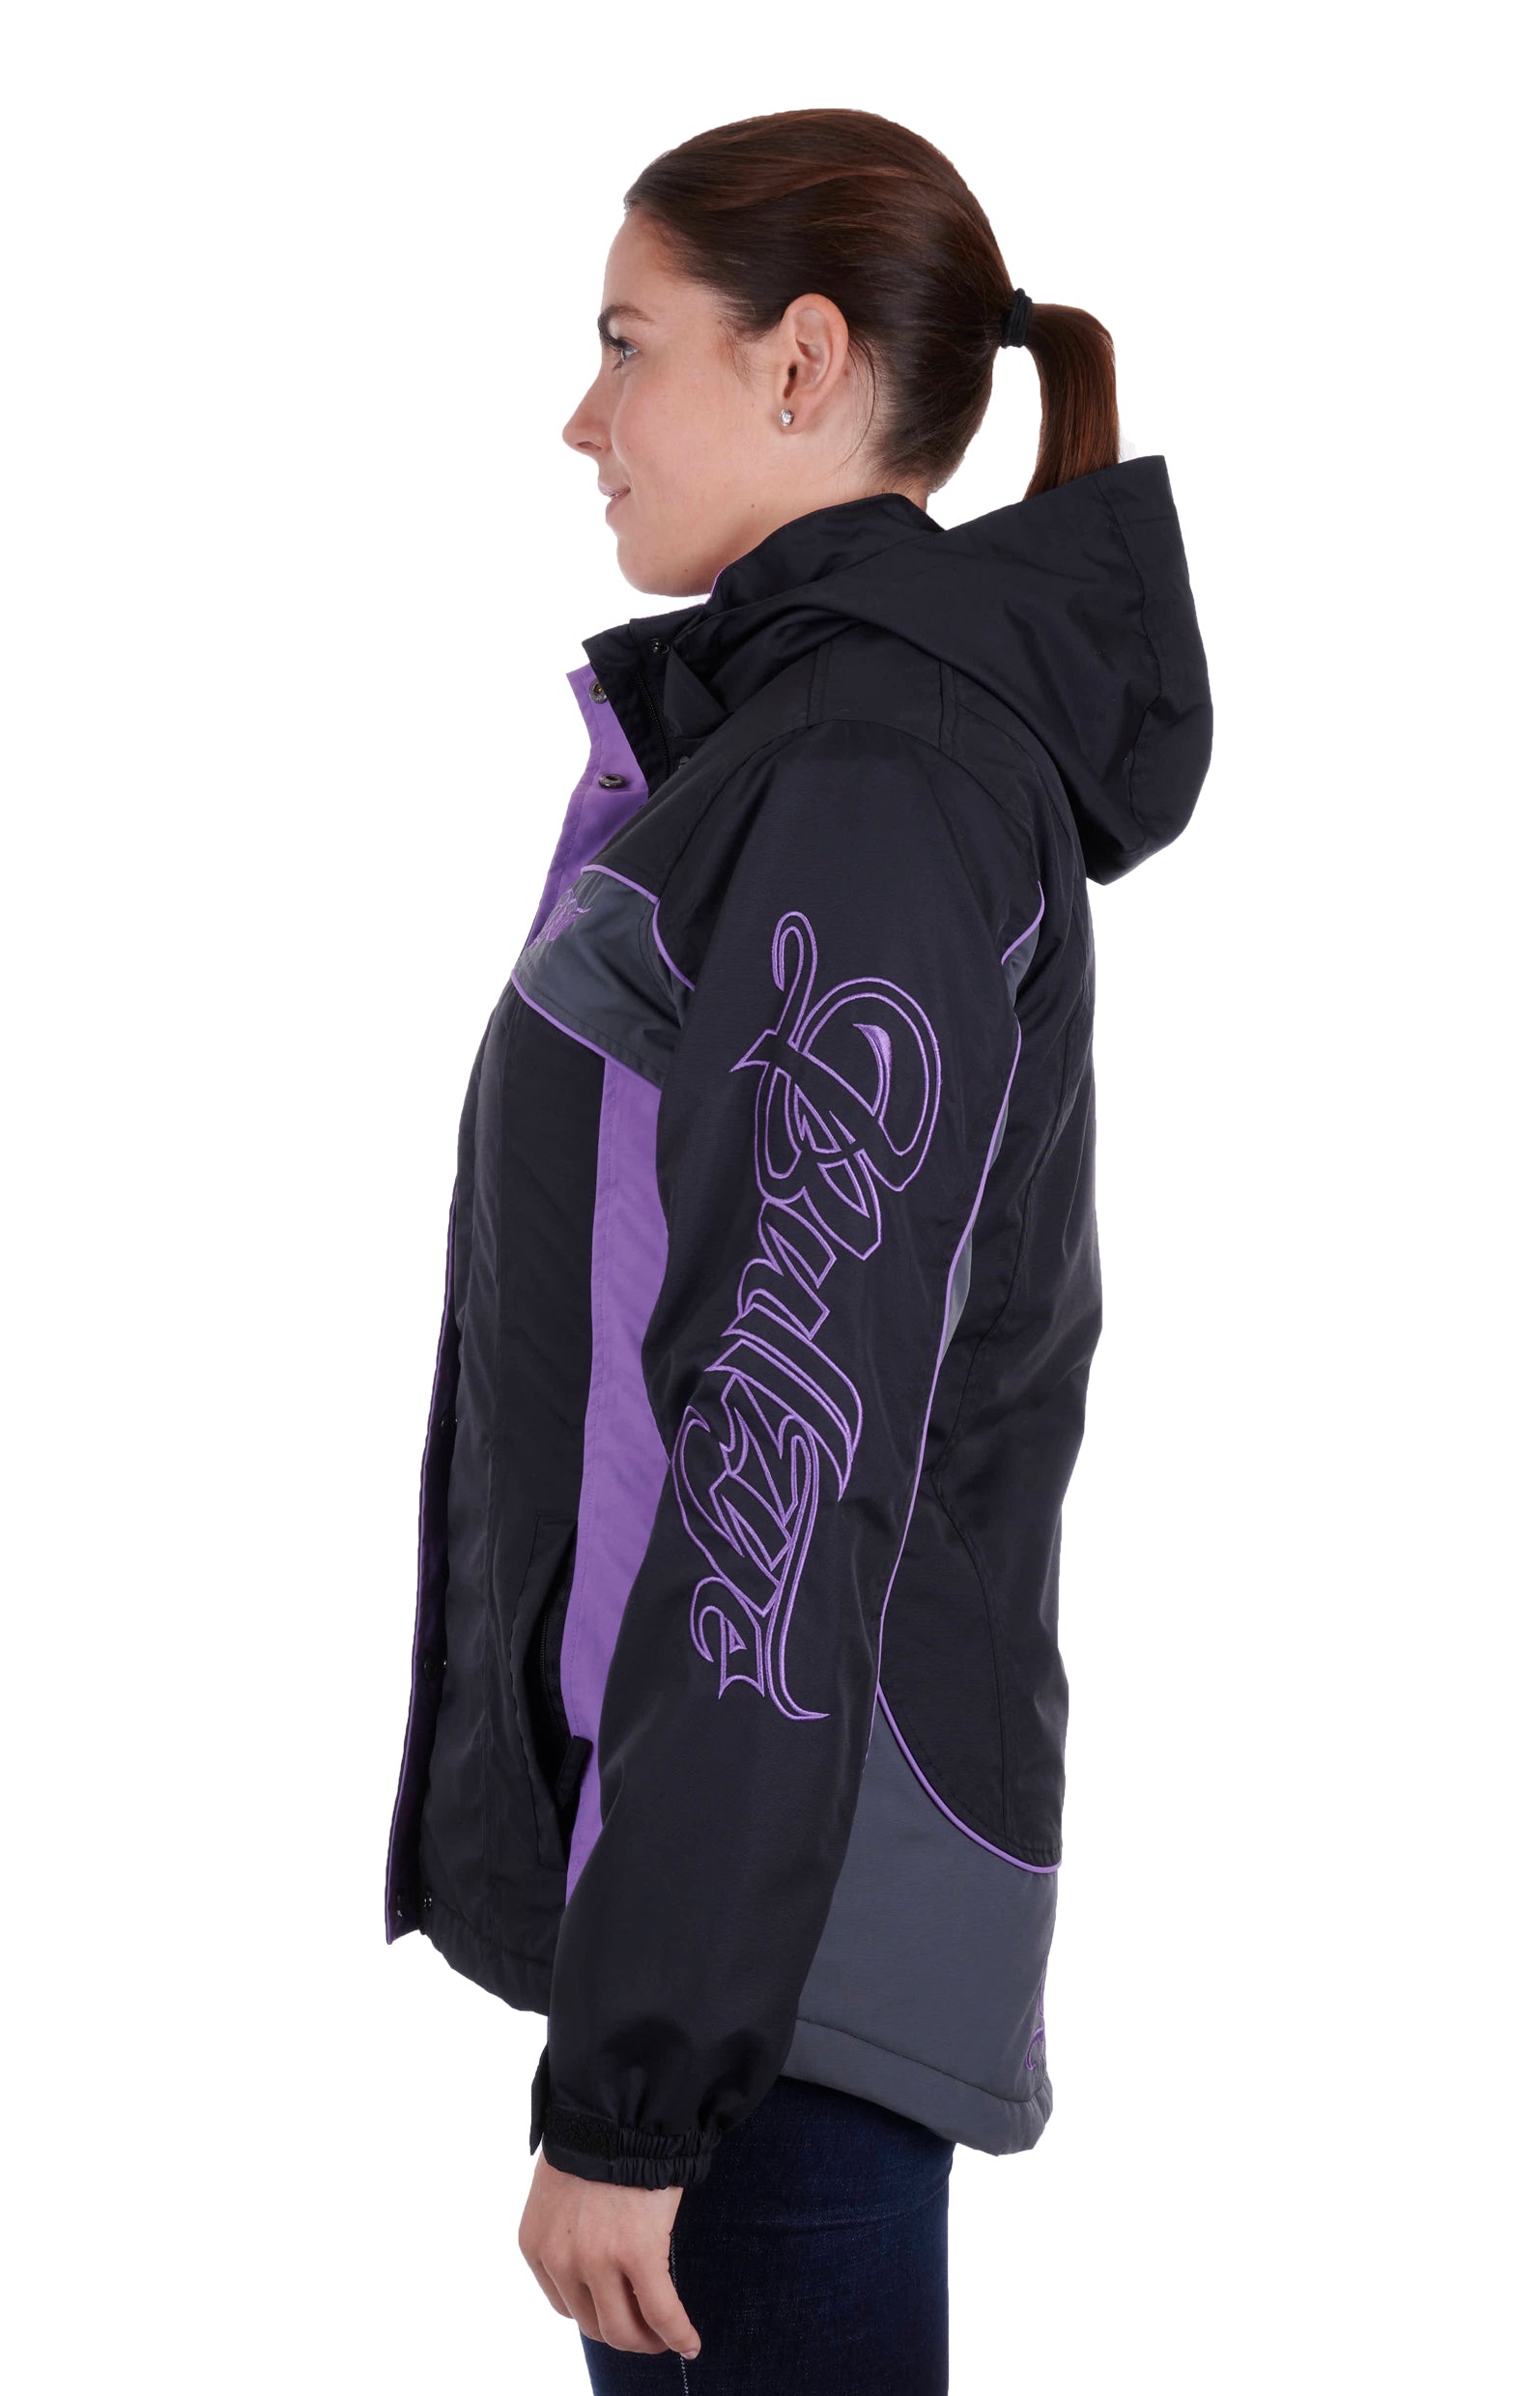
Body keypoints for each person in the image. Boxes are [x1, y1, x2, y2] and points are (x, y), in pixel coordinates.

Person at [385, 106, 1212, 2394]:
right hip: (747, 1894)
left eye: (622, 342)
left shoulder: (861, 776)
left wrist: (642, 2081)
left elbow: (787, 1429)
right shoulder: (800, 750)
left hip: (774, 1938)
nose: (581, 419)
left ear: (803, 361)